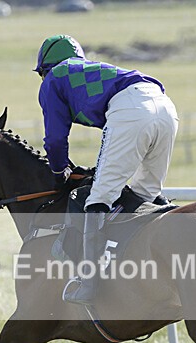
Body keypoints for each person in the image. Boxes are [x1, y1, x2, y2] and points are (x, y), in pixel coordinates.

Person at [35, 34, 179, 305]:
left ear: (44, 68)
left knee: (99, 197)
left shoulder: (53, 79)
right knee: (145, 193)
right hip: (166, 106)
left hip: (131, 108)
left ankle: (89, 283)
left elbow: (54, 139)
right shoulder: (87, 70)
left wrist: (58, 171)